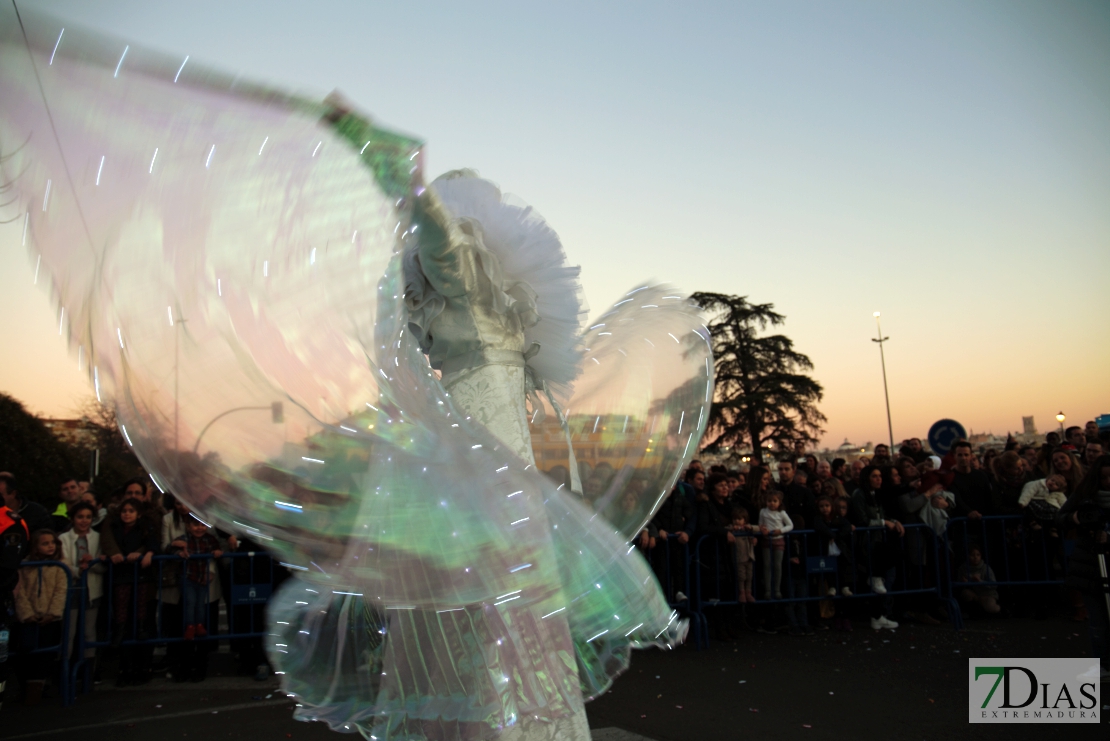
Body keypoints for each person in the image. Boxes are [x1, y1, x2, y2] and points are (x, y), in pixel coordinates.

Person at [1056, 455, 1110, 679]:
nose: (1108, 481)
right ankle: (1104, 664)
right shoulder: (1085, 495)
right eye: (1104, 477)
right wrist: (1077, 518)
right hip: (1091, 564)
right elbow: (1061, 518)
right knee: (1097, 621)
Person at [103, 498, 159, 686]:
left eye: (131, 511)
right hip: (122, 575)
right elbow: (107, 543)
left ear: (139, 513)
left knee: (141, 612)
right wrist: (114, 554)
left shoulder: (146, 527)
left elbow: (153, 543)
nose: (127, 514)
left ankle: (142, 667)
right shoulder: (114, 527)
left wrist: (146, 553)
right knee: (122, 614)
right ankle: (125, 666)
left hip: (142, 576)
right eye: (124, 510)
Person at [14, 530, 69, 705]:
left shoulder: (60, 566)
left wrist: (52, 614)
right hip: (28, 617)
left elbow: (60, 592)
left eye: (52, 542)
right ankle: (25, 688)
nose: (50, 546)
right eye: (45, 543)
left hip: (49, 618)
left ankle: (36, 690)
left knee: (46, 654)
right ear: (36, 546)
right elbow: (19, 591)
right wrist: (27, 613)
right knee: (25, 651)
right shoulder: (24, 566)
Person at [848, 465, 901, 630]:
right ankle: (878, 615)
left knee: (885, 580)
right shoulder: (859, 495)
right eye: (874, 476)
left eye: (880, 476)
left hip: (877, 541)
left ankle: (881, 615)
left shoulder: (875, 495)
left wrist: (894, 521)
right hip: (867, 543)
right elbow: (862, 520)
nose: (879, 479)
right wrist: (884, 523)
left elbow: (881, 514)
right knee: (877, 581)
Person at [58, 503, 104, 670]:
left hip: (92, 590)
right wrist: (79, 569)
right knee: (68, 633)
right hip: (71, 590)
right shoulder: (63, 538)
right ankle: (64, 670)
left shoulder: (98, 537)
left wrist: (92, 563)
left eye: (88, 517)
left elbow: (102, 565)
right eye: (80, 517)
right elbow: (63, 563)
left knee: (89, 631)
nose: (84, 521)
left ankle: (88, 672)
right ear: (73, 518)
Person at [175, 516, 223, 641]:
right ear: (188, 526)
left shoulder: (210, 539)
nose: (199, 528)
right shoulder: (185, 539)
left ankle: (200, 625)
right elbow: (172, 547)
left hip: (202, 577)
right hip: (188, 576)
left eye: (203, 525)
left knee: (201, 603)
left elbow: (217, 548)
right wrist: (176, 547)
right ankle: (190, 626)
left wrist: (217, 551)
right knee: (190, 602)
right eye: (196, 525)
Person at [757, 492, 793, 600]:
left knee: (777, 565)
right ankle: (768, 590)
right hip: (766, 541)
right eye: (769, 501)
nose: (772, 503)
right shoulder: (763, 511)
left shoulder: (781, 513)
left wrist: (780, 531)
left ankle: (777, 590)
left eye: (774, 501)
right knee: (767, 565)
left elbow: (790, 525)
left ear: (779, 502)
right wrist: (763, 530)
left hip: (778, 541)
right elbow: (760, 524)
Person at [956, 545, 1000, 616]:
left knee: (992, 608)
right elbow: (958, 585)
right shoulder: (963, 568)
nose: (975, 557)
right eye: (972, 555)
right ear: (967, 556)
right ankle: (974, 611)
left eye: (978, 555)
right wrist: (964, 582)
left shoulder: (986, 568)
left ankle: (1001, 610)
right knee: (966, 593)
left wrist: (980, 581)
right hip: (974, 595)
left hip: (987, 594)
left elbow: (994, 585)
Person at [730, 508, 757, 603]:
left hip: (749, 556)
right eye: (735, 519)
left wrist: (753, 539)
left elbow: (758, 529)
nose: (736, 521)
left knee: (749, 576)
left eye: (739, 519)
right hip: (739, 558)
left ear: (744, 520)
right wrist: (733, 528)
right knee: (741, 576)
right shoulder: (732, 529)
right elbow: (726, 529)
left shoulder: (748, 529)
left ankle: (748, 593)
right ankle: (742, 593)